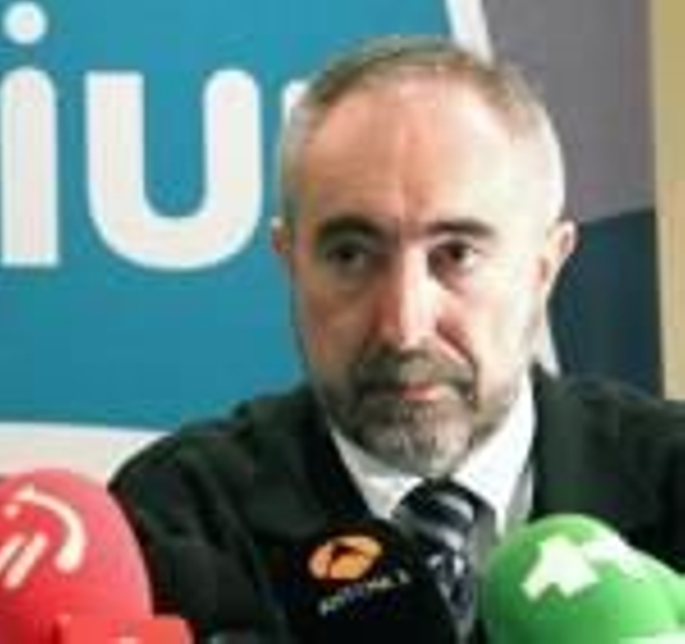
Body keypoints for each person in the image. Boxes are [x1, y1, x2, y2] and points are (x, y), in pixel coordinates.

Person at [110, 35, 685, 640]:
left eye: (456, 254)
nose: (404, 327)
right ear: (291, 262)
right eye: (352, 255)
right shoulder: (183, 514)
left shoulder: (671, 474)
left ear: (545, 265)